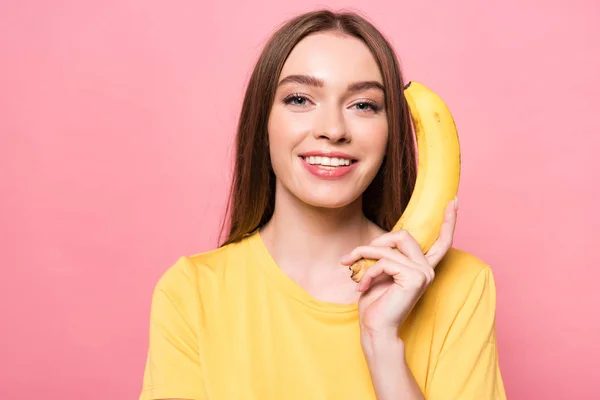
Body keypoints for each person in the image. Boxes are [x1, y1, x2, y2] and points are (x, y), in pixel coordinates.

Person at [139, 9, 506, 400]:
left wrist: (382, 344)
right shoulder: (192, 293)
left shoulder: (461, 286)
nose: (332, 130)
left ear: (392, 130)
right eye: (300, 99)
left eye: (363, 105)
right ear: (262, 122)